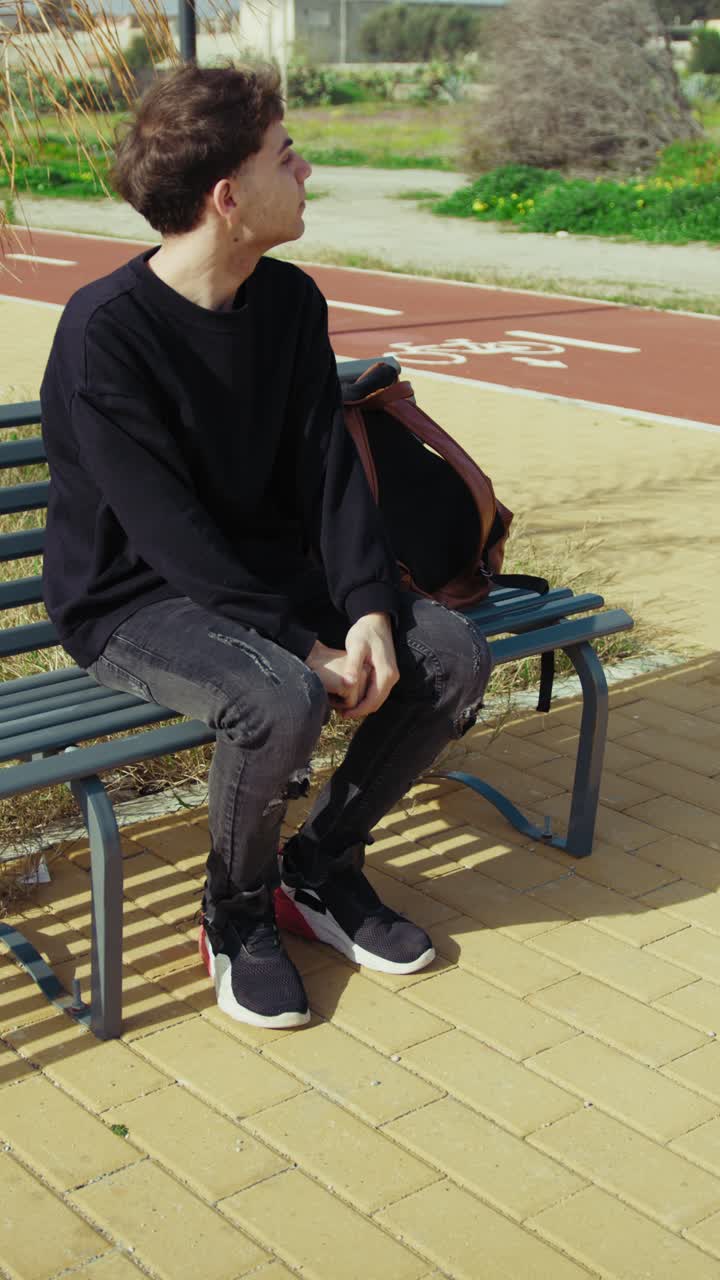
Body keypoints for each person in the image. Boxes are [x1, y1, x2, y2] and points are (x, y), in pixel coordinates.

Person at [40, 63, 491, 1029]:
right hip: (130, 600)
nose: (309, 169)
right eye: (287, 154)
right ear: (228, 196)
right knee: (278, 695)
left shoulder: (288, 302)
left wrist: (367, 606)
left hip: (265, 578)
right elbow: (170, 537)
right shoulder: (105, 334)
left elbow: (329, 468)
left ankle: (318, 871)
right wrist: (309, 644)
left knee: (449, 656)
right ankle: (234, 914)